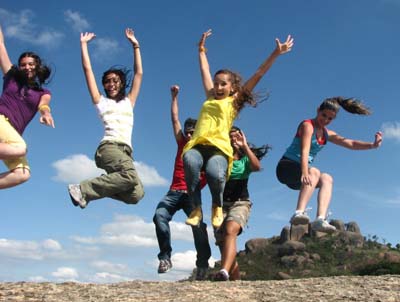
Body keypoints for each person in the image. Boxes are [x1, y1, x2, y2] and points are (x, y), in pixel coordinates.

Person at [183, 29, 293, 229]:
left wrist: (275, 54)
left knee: (215, 174)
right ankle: (196, 208)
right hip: (198, 144)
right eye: (216, 84)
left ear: (232, 87)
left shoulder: (234, 102)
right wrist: (201, 51)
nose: (217, 87)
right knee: (189, 161)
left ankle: (216, 205)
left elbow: (258, 73)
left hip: (219, 149)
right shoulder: (210, 97)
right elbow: (204, 71)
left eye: (223, 84)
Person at [276, 97, 383, 233]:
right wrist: (304, 172)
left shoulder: (327, 134)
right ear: (318, 111)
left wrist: (372, 145)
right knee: (314, 171)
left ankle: (320, 220)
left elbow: (350, 143)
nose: (325, 120)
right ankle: (299, 212)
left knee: (327, 178)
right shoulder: (307, 125)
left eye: (330, 118)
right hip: (286, 167)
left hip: (301, 177)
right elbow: (305, 150)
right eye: (324, 115)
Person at [68, 28, 144, 208]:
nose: (111, 84)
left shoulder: (129, 101)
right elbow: (88, 70)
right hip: (108, 148)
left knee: (135, 194)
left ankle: (101, 184)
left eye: (115, 80)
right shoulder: (100, 101)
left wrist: (136, 46)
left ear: (122, 83)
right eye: (108, 81)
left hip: (125, 152)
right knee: (131, 176)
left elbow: (139, 73)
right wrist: (83, 45)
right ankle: (82, 189)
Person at [153, 85, 211, 280]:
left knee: (198, 227)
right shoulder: (182, 143)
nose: (188, 134)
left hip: (192, 195)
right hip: (174, 192)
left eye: (192, 132)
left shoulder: (204, 150)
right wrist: (174, 98)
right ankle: (165, 257)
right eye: (187, 131)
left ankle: (203, 264)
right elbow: (175, 119)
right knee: (159, 216)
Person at [0, 25, 55, 189]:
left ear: (37, 66)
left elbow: (44, 105)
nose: (27, 67)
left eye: (31, 64)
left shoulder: (42, 92)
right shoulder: (11, 77)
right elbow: (1, 46)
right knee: (20, 148)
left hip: (9, 135)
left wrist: (46, 114)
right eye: (23, 64)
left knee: (22, 174)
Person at [213, 127, 269, 281]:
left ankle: (223, 270)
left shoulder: (246, 159)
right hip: (220, 205)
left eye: (236, 136)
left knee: (231, 230)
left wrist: (244, 146)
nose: (233, 139)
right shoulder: (222, 158)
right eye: (230, 136)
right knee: (224, 245)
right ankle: (234, 280)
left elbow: (257, 167)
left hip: (240, 203)